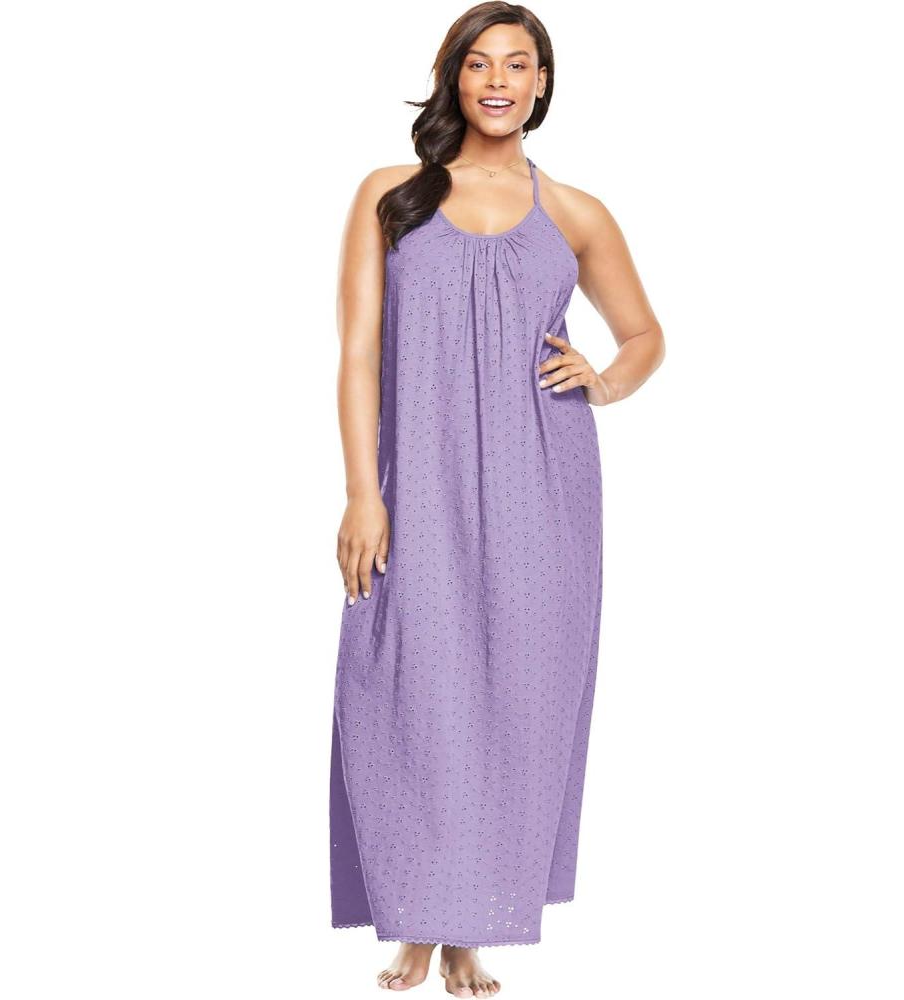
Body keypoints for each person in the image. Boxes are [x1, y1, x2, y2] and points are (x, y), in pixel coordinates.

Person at [329, 4, 665, 994]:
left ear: (542, 82)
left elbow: (644, 335)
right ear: (454, 77)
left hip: (542, 485)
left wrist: (603, 381)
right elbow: (356, 352)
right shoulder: (390, 194)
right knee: (409, 690)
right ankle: (416, 917)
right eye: (479, 64)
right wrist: (362, 493)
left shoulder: (576, 212)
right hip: (416, 480)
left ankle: (467, 932)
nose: (498, 82)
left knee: (513, 701)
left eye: (518, 65)